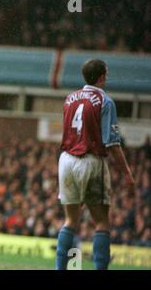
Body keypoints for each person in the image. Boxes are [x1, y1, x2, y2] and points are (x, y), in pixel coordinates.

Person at [55, 59, 135, 270]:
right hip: (91, 160)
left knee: (70, 220)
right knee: (101, 222)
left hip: (66, 160)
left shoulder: (69, 98)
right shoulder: (105, 101)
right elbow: (112, 143)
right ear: (101, 76)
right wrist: (127, 173)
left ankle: (59, 269)